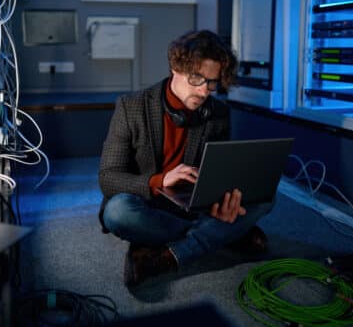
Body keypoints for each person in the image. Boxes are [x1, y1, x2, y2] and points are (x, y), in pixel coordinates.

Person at [98, 30, 273, 287]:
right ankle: (223, 235)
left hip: (192, 203)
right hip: (149, 203)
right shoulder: (131, 106)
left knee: (267, 195)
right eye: (197, 78)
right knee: (117, 212)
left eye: (212, 83)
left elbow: (218, 173)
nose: (204, 91)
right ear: (175, 68)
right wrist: (160, 180)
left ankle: (169, 253)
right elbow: (108, 177)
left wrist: (223, 201)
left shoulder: (218, 113)